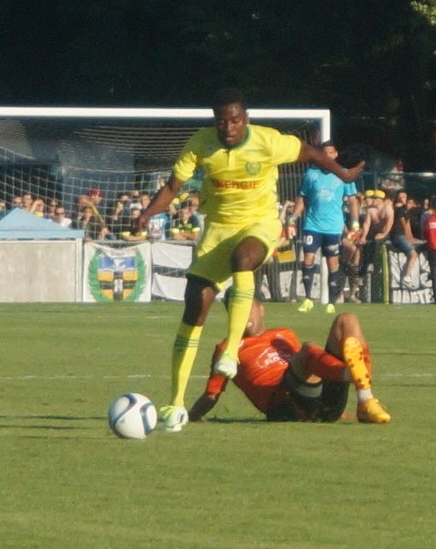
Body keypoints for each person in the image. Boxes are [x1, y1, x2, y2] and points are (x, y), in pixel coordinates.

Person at [134, 91, 360, 427]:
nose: (228, 127)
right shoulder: (200, 144)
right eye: (221, 121)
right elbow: (172, 186)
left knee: (243, 258)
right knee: (195, 307)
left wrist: (344, 175)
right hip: (217, 231)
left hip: (259, 225)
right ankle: (175, 404)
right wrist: (147, 214)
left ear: (246, 119)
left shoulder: (267, 141)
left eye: (235, 120)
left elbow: (310, 152)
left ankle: (230, 353)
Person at [189, 299, 391, 424]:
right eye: (234, 311)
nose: (242, 315)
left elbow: (312, 368)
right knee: (308, 350)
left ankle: (365, 401)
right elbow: (212, 393)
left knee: (347, 320)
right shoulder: (227, 348)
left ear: (261, 309)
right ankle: (352, 374)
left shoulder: (285, 334)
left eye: (247, 307)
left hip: (315, 397)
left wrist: (341, 413)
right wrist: (190, 416)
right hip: (282, 405)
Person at [293, 139, 359, 313]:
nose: (328, 156)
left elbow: (353, 201)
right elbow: (302, 198)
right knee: (308, 258)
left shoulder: (344, 175)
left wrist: (355, 223)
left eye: (331, 152)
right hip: (312, 224)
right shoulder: (311, 174)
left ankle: (331, 302)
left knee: (332, 262)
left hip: (333, 227)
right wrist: (293, 218)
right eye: (325, 153)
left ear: (335, 154)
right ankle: (308, 299)